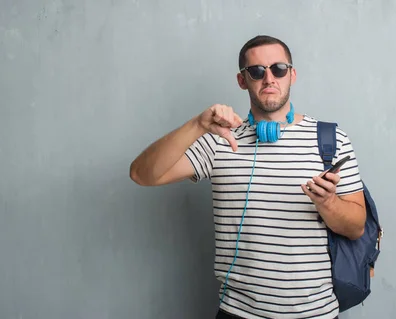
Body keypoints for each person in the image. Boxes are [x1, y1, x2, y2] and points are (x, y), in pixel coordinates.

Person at [129, 35, 366, 319]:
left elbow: (356, 228)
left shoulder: (330, 140)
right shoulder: (218, 141)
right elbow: (142, 175)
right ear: (243, 80)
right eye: (256, 71)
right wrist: (197, 125)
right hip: (238, 314)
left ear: (292, 74)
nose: (269, 78)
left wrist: (327, 203)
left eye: (278, 68)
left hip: (317, 314)